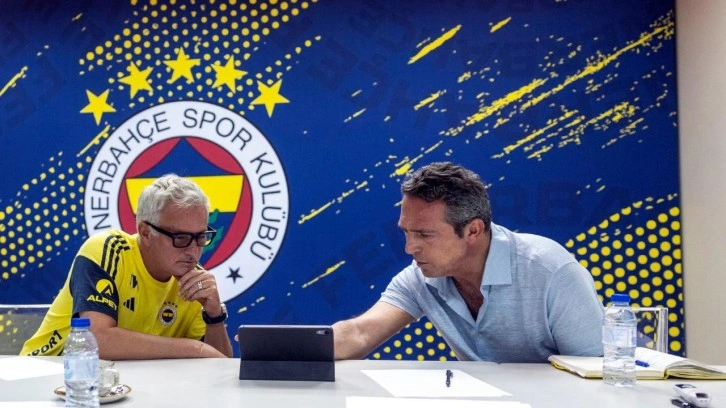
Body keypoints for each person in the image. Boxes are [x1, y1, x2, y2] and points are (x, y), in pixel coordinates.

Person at [332, 162, 604, 363]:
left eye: (425, 235)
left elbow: (596, 373)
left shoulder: (551, 271)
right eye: (406, 232)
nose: (409, 248)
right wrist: (306, 346)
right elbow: (359, 333)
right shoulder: (420, 277)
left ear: (473, 230)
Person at [21, 174, 233, 359]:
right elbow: (96, 340)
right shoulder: (109, 250)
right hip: (47, 373)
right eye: (181, 238)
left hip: (117, 385)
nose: (193, 251)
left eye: (201, 237)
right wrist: (193, 348)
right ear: (145, 233)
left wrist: (214, 315)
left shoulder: (194, 281)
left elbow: (219, 367)